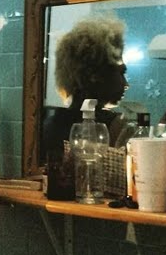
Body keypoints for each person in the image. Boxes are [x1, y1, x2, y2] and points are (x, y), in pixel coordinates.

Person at [40, 15, 134, 165]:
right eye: (121, 73)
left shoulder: (50, 125)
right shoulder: (117, 128)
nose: (126, 84)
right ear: (96, 75)